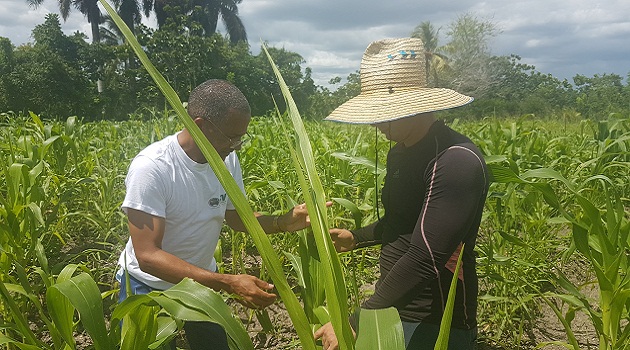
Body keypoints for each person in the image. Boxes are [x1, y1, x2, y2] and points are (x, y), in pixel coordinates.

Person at [314, 38, 489, 350]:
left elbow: (426, 258)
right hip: (392, 303)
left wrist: (356, 320)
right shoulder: (399, 153)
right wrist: (356, 237)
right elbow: (402, 222)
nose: (375, 123)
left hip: (435, 319)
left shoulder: (454, 160)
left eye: (385, 112)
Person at [115, 79, 317, 350]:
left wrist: (282, 222)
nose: (238, 145)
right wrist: (228, 282)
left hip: (200, 281)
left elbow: (235, 217)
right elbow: (148, 256)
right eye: (232, 136)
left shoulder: (225, 158)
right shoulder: (153, 168)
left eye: (241, 137)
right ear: (200, 126)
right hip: (148, 286)